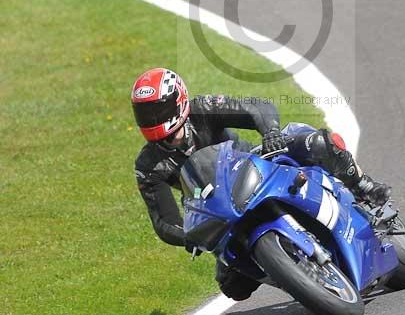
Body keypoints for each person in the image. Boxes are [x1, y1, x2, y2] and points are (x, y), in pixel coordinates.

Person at [132, 67, 391, 300]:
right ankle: (299, 275)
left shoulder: (202, 108)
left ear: (178, 100)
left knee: (319, 143)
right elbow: (163, 220)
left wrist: (271, 133)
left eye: (158, 110)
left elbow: (256, 107)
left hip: (254, 166)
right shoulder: (148, 165)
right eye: (145, 114)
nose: (152, 119)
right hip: (220, 210)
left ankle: (362, 185)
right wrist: (188, 236)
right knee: (233, 286)